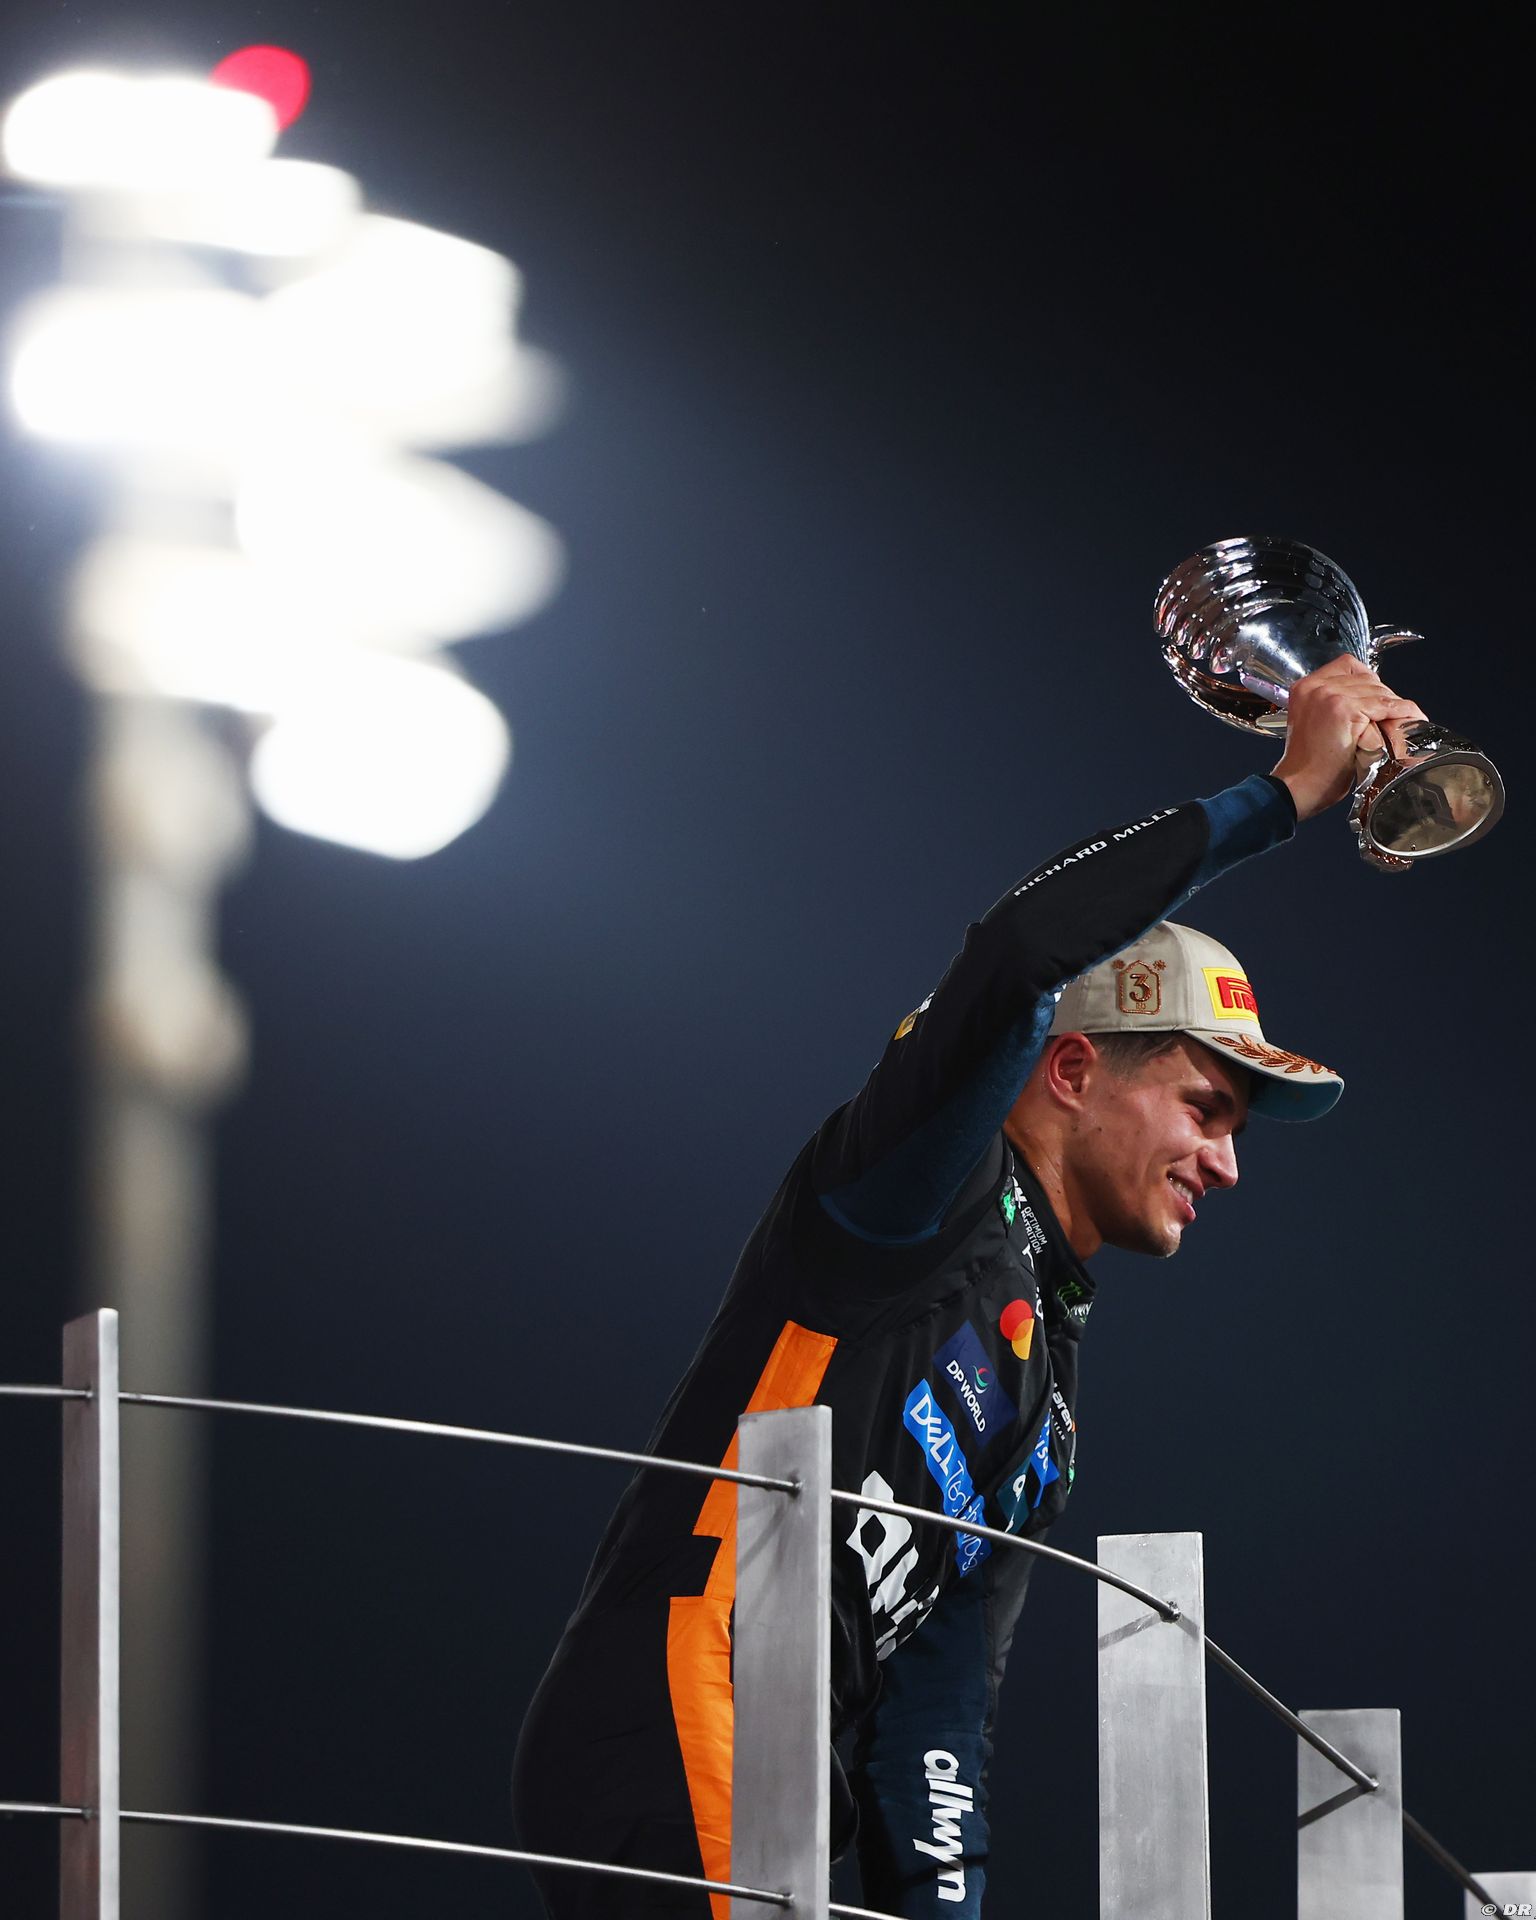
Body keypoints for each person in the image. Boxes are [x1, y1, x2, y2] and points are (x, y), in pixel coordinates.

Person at [512, 655, 1425, 1917]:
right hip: (685, 1702)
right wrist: (1280, 796)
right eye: (1205, 1108)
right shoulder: (918, 1189)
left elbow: (933, 1728)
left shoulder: (1048, 1402)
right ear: (1072, 1073)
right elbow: (1017, 953)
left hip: (776, 1773)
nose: (1225, 1162)